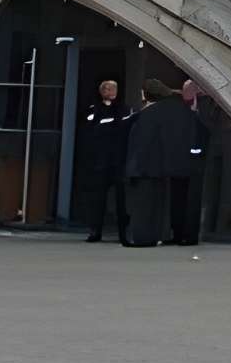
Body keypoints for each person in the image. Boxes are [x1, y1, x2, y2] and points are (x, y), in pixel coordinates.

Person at [123, 77, 210, 248]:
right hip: (180, 162)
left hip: (157, 164)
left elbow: (144, 140)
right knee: (177, 200)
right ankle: (179, 234)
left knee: (151, 201)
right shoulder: (182, 110)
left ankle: (152, 236)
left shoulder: (151, 113)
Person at [76, 77, 132, 244]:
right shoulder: (94, 109)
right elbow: (90, 131)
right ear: (102, 92)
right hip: (100, 161)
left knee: (121, 200)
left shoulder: (124, 109)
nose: (111, 92)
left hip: (118, 160)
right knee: (97, 199)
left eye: (114, 89)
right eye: (108, 89)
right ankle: (95, 231)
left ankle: (123, 233)